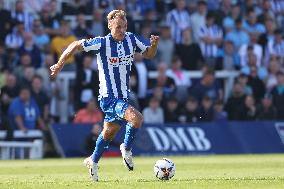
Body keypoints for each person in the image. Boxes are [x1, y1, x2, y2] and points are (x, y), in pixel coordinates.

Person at [49, 10, 159, 181]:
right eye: (117, 27)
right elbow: (75, 45)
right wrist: (59, 64)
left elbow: (149, 54)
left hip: (122, 97)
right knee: (136, 118)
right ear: (109, 26)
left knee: (108, 133)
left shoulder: (131, 39)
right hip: (108, 98)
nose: (121, 30)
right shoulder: (102, 43)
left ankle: (92, 160)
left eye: (124, 27)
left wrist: (153, 46)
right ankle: (127, 149)